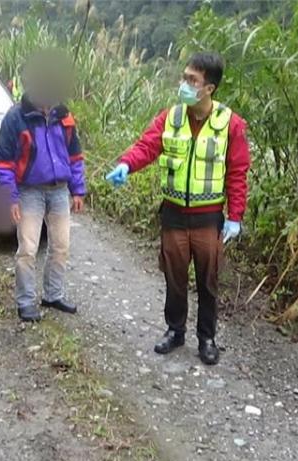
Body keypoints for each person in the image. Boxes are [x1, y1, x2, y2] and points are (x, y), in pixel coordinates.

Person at [105, 52, 250, 365]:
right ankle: (175, 330)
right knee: (174, 276)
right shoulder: (170, 117)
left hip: (208, 216)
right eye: (184, 77)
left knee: (208, 280)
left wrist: (235, 217)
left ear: (208, 88)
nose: (184, 84)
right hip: (173, 213)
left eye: (191, 80)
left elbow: (238, 172)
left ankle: (207, 338)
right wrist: (126, 165)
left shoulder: (231, 125)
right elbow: (147, 146)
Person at [0, 50, 86, 322]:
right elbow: (4, 162)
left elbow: (75, 156)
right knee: (28, 248)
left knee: (60, 246)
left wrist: (78, 189)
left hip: (59, 191)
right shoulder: (15, 118)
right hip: (29, 192)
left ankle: (53, 294)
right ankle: (25, 301)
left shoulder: (64, 116)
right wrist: (10, 197)